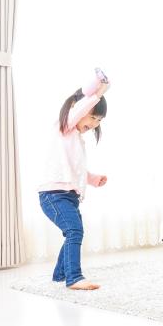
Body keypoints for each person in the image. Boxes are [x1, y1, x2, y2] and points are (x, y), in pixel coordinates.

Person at [37, 69, 110, 290]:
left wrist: (93, 179)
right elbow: (79, 110)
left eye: (99, 120)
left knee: (73, 231)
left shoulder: (76, 140)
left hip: (69, 196)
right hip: (53, 195)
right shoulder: (64, 127)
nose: (95, 123)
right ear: (78, 110)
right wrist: (98, 92)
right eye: (92, 117)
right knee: (74, 231)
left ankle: (60, 274)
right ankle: (74, 278)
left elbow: (76, 170)